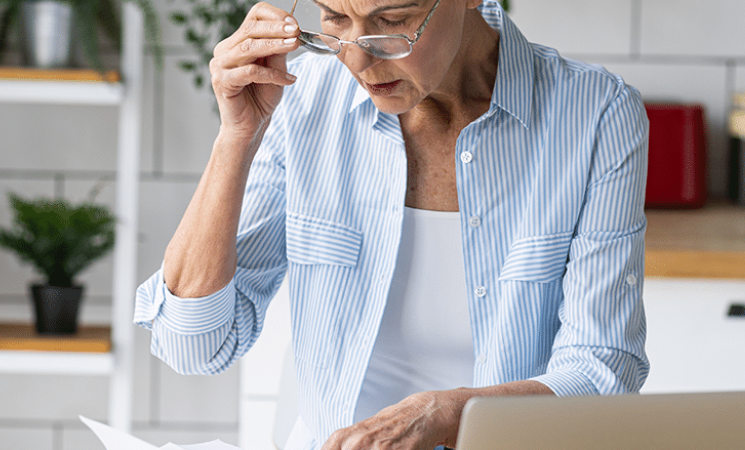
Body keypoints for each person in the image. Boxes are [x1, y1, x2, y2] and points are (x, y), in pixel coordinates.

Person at [134, 0, 650, 449]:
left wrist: (449, 414)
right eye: (334, 18)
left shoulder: (595, 114)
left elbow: (601, 369)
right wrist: (237, 138)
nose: (356, 57)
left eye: (392, 21)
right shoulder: (304, 100)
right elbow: (194, 346)